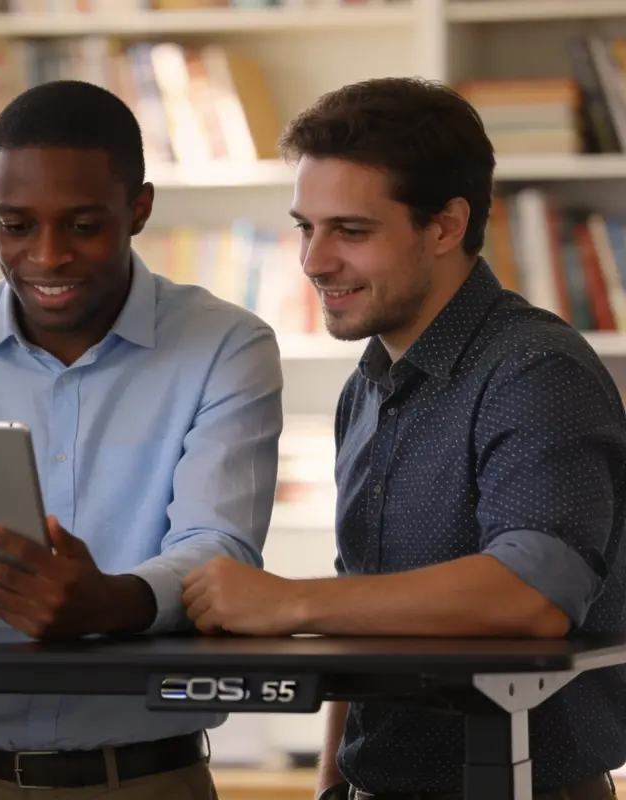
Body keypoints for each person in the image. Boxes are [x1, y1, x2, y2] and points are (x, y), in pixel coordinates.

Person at [0, 79, 283, 799]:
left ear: (138, 209)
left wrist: (114, 600)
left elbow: (218, 549)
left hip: (148, 779)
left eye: (82, 225)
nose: (47, 256)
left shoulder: (226, 346)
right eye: (16, 225)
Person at [181, 77, 626, 800]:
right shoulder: (368, 386)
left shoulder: (536, 370)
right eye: (306, 227)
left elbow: (534, 590)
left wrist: (290, 602)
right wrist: (333, 785)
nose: (314, 261)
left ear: (447, 226)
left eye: (350, 231)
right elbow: (364, 610)